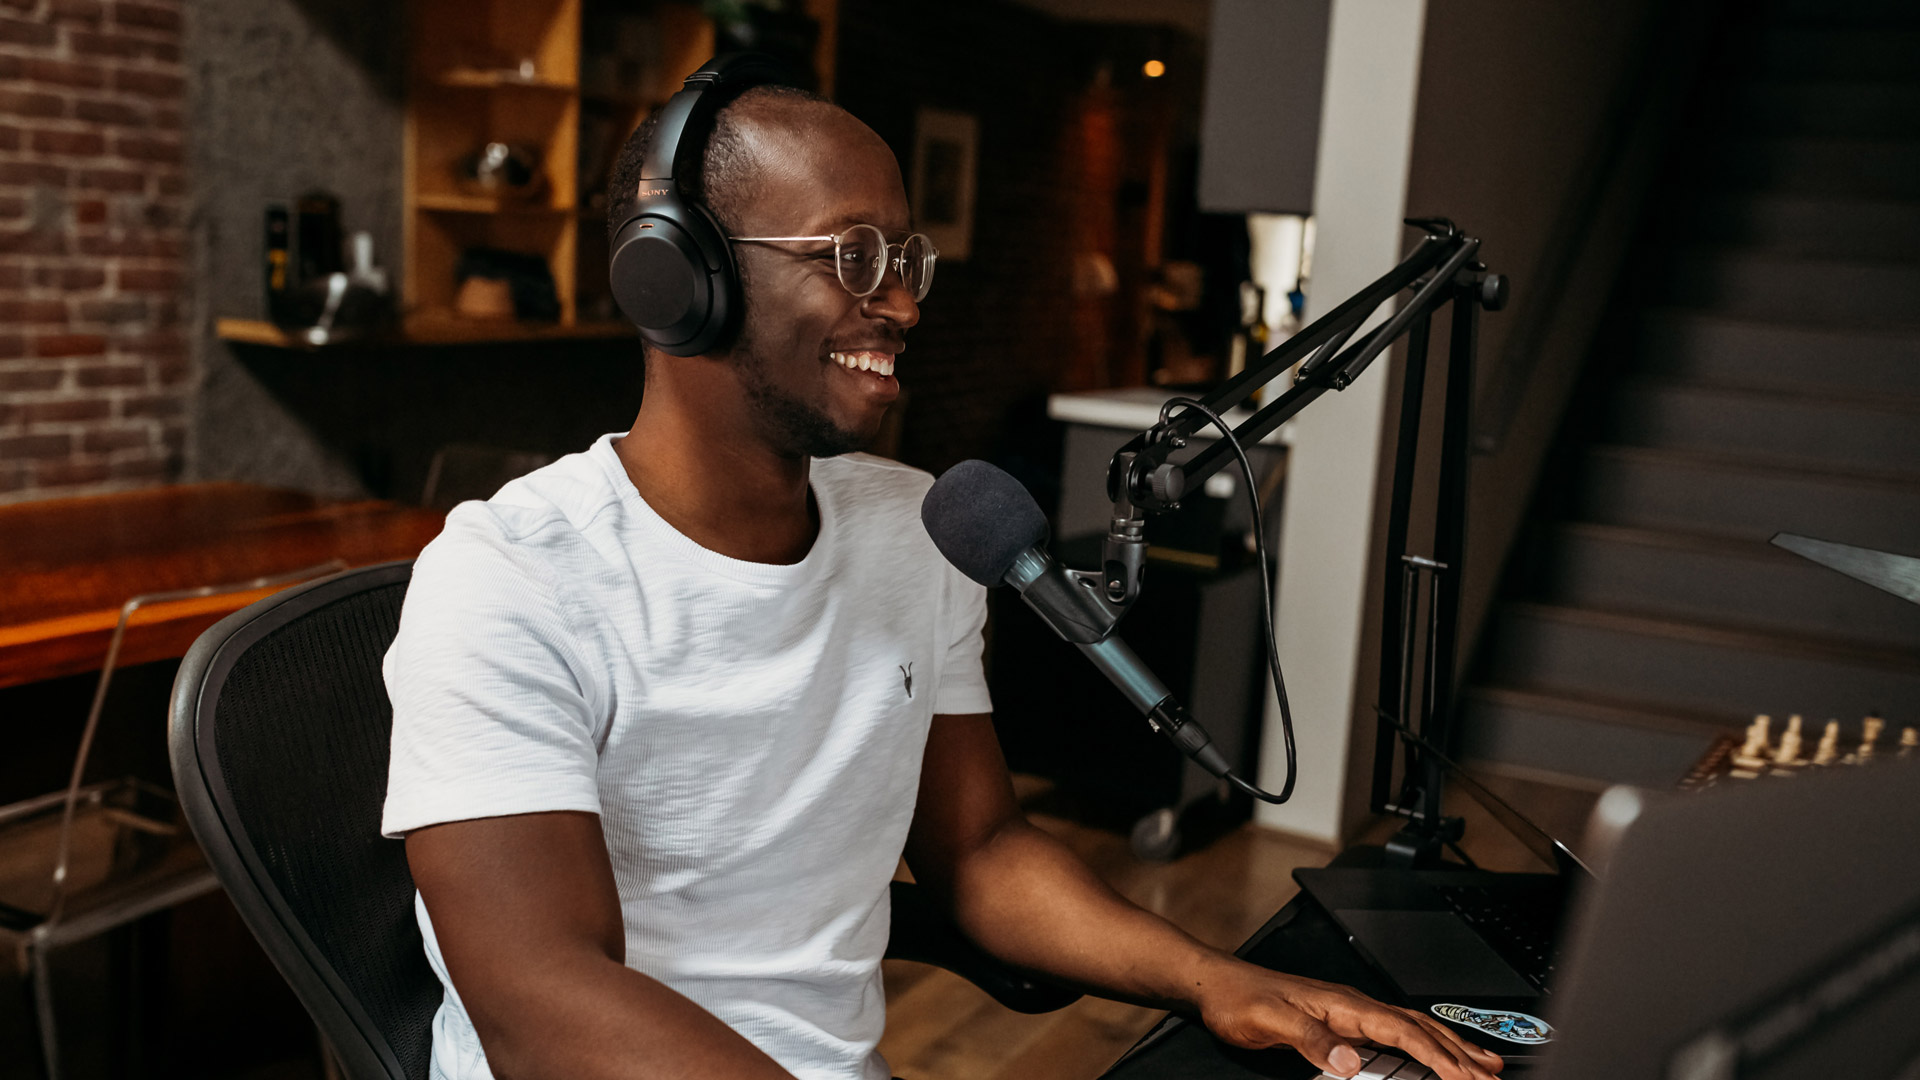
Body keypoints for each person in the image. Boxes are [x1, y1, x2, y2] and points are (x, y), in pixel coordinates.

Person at [381, 78, 1503, 1080]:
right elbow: (539, 1005)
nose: (907, 307)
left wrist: (1214, 978)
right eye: (853, 257)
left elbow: (980, 852)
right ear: (681, 280)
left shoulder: (915, 529)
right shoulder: (509, 583)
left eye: (906, 262)